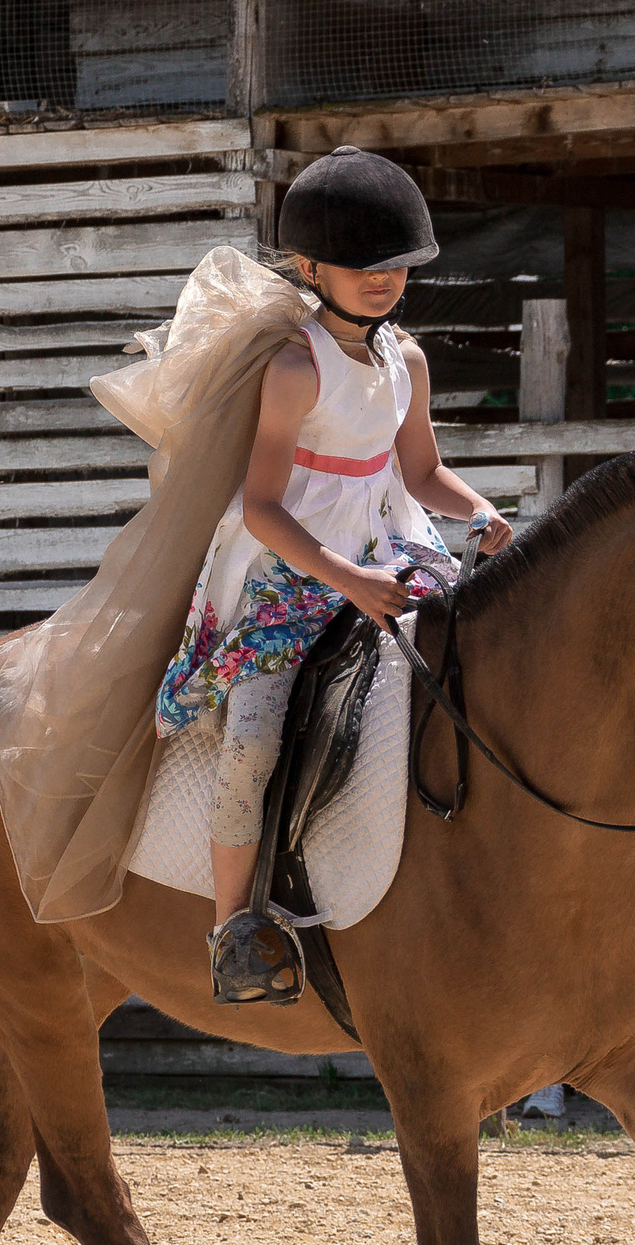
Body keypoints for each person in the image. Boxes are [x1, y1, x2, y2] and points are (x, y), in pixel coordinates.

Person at [146, 147, 511, 1001]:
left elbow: (421, 472)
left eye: (397, 265)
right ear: (310, 268)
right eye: (361, 266)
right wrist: (345, 579)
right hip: (291, 569)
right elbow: (264, 507)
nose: (383, 280)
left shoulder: (406, 360)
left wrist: (479, 509)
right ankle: (234, 932)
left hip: (390, 547)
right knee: (253, 738)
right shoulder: (294, 368)